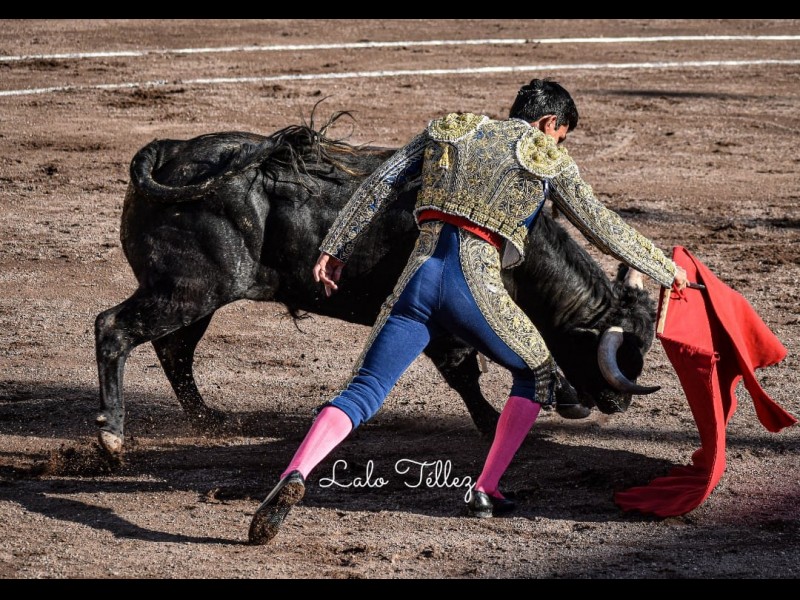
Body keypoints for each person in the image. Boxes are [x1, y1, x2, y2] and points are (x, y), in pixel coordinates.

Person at [248, 78, 688, 544]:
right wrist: (664, 269)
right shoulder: (545, 157)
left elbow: (380, 181)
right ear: (548, 123)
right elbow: (601, 224)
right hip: (472, 282)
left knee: (364, 390)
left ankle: (296, 471)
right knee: (538, 374)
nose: (558, 145)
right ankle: (487, 489)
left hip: (416, 281)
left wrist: (336, 246)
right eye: (560, 136)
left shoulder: (451, 129)